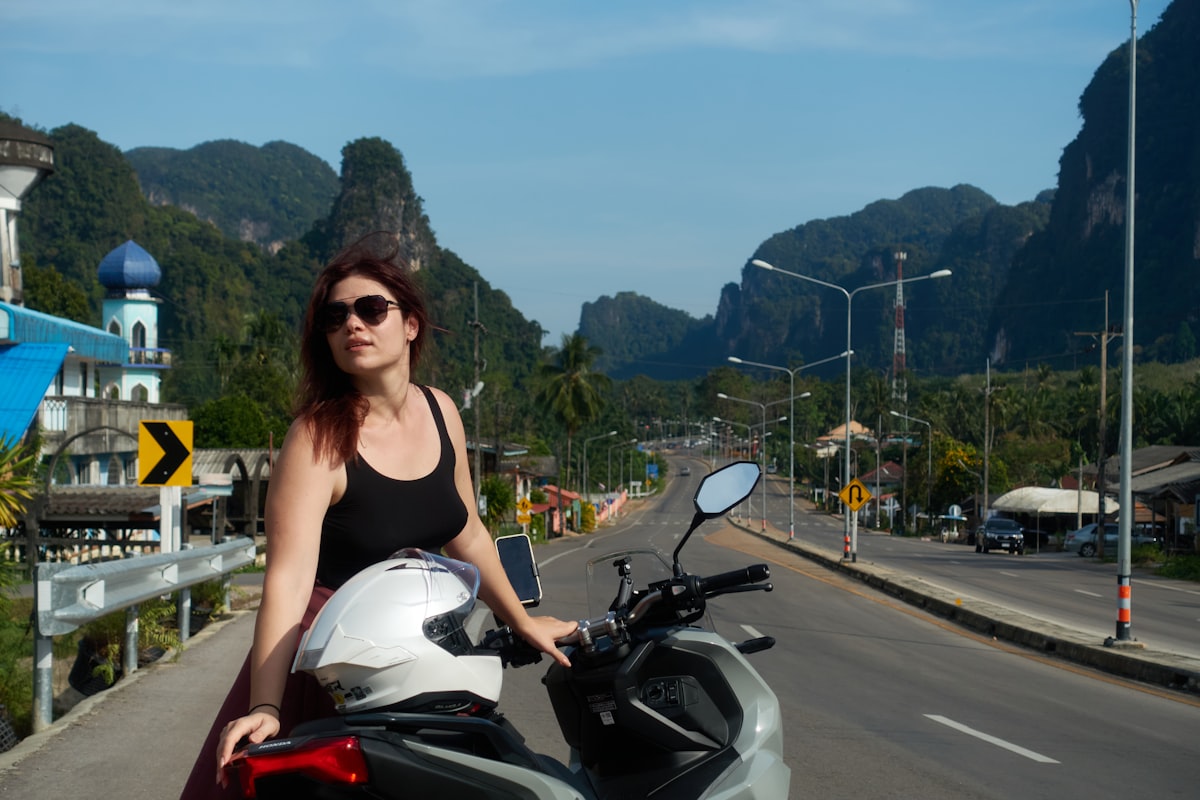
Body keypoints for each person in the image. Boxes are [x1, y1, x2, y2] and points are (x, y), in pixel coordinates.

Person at [179, 236, 575, 798]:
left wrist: (522, 622)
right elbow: (289, 582)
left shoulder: (442, 411)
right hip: (337, 665)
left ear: (411, 324)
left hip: (427, 656)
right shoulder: (318, 437)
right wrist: (266, 706)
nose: (352, 325)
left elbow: (468, 534)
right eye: (335, 316)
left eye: (371, 309)